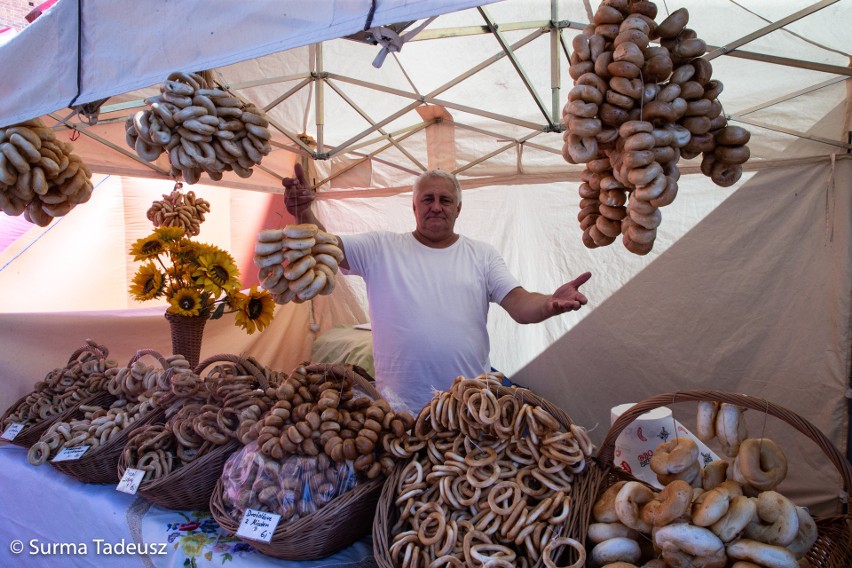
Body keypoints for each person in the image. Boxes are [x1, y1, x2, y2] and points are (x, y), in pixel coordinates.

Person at [282, 164, 592, 411]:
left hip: (469, 408)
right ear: (414, 207)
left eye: (445, 200)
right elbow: (323, 247)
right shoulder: (380, 248)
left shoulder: (481, 255)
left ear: (458, 209)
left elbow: (520, 304)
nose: (436, 207)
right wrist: (303, 213)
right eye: (427, 199)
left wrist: (550, 302)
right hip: (401, 410)